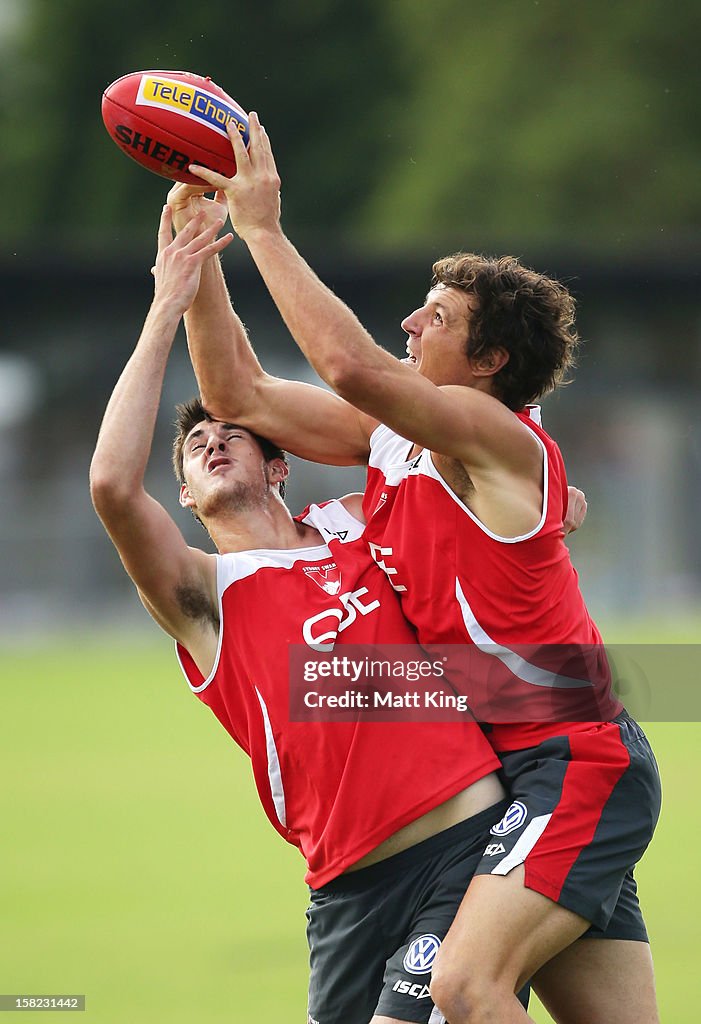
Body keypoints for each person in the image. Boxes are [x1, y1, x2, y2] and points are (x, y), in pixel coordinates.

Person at [180, 115, 663, 1024]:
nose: (408, 322)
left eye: (434, 318)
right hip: (513, 776)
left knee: (464, 990)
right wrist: (200, 247)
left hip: (574, 764)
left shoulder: (497, 438)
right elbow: (236, 394)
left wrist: (265, 229)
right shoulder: (397, 441)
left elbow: (350, 367)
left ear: (488, 363)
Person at [89, 204, 534, 1024]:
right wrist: (170, 300)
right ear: (183, 495)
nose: (214, 443)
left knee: (456, 1002)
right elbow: (114, 490)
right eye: (193, 449)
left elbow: (472, 490)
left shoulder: (360, 526)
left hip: (464, 843)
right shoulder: (202, 597)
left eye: (231, 437)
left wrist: (553, 500)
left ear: (281, 464)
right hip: (343, 889)